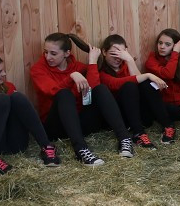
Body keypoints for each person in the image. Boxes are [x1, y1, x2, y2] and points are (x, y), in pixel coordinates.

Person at [30, 32, 133, 165]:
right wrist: (72, 76)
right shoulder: (38, 69)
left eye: (53, 53)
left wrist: (92, 62)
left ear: (67, 53)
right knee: (64, 94)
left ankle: (125, 139)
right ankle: (81, 150)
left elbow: (94, 88)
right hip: (55, 127)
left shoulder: (79, 67)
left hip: (79, 124)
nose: (48, 57)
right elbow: (52, 91)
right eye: (46, 52)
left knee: (101, 89)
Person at [98, 34, 177, 146]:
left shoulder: (127, 65)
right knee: (129, 85)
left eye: (121, 54)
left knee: (146, 85)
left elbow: (141, 84)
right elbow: (115, 84)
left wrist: (130, 60)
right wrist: (148, 74)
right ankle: (138, 134)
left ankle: (168, 125)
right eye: (113, 54)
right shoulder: (102, 73)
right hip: (122, 118)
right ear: (104, 52)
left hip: (141, 115)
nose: (118, 58)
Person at [144, 28, 180, 125]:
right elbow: (168, 74)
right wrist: (175, 53)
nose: (162, 47)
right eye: (160, 43)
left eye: (167, 44)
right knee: (170, 109)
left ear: (175, 46)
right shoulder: (152, 60)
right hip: (164, 106)